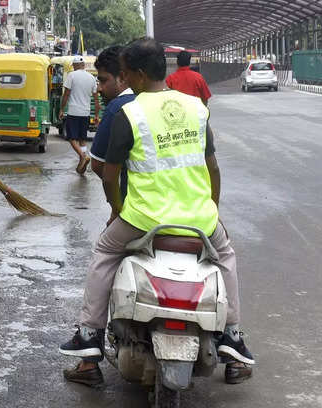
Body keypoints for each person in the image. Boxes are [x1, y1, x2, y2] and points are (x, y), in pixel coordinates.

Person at [59, 38, 254, 386]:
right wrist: (213, 211)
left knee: (104, 251)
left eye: (124, 72)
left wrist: (118, 211)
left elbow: (109, 175)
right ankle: (234, 335)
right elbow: (213, 169)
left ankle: (89, 336)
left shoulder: (128, 113)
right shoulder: (195, 109)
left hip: (145, 220)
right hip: (198, 220)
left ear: (134, 74)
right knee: (225, 253)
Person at [89, 45, 135, 217]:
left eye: (103, 80)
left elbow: (99, 167)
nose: (99, 88)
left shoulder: (116, 107)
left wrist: (116, 208)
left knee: (104, 245)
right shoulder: (184, 105)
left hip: (136, 209)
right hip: (192, 212)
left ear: (122, 77)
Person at [58, 56, 99, 174]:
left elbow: (66, 94)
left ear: (75, 65)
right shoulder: (91, 78)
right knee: (82, 139)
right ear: (84, 65)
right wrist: (96, 115)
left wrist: (61, 109)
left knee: (71, 138)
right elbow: (96, 99)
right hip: (85, 113)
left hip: (74, 112)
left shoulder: (72, 76)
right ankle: (82, 161)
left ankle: (83, 156)